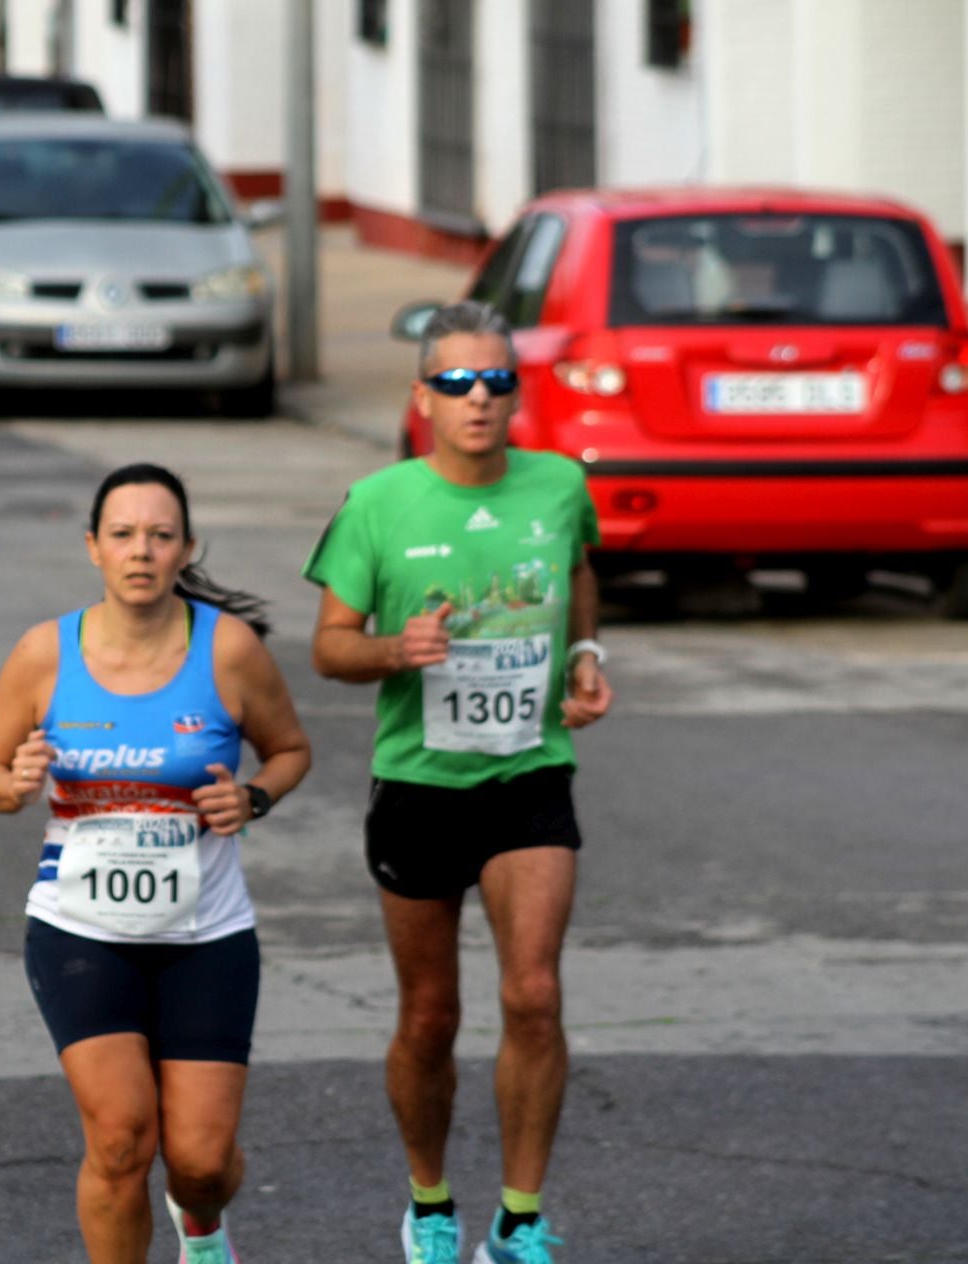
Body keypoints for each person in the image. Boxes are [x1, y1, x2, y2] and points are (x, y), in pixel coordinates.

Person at [303, 301, 612, 1264]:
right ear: (422, 398)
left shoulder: (560, 485)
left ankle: (519, 1221)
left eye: (495, 381)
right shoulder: (377, 503)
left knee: (533, 994)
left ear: (516, 394)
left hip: (529, 773)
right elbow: (328, 649)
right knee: (430, 1017)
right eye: (456, 383)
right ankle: (430, 1204)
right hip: (420, 784)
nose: (478, 399)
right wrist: (399, 647)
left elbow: (581, 570)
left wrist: (586, 653)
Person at [0, 463, 312, 1264]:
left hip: (207, 934)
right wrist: (9, 783)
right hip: (80, 929)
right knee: (121, 1139)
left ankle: (202, 1219)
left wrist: (253, 798)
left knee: (200, 1162)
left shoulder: (229, 650)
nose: (142, 552)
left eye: (161, 536)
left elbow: (291, 750)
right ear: (94, 547)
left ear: (187, 547)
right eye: (123, 535)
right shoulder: (44, 653)